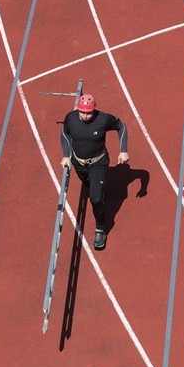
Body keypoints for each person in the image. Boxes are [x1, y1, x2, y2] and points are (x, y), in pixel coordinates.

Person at [60, 94, 128, 250]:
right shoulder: (71, 118)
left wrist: (123, 150)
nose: (85, 115)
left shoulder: (103, 119)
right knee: (88, 185)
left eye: (88, 112)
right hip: (79, 163)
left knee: (95, 198)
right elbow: (64, 133)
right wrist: (65, 155)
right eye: (82, 112)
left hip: (98, 163)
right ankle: (96, 188)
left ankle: (100, 229)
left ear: (94, 109)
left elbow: (121, 126)